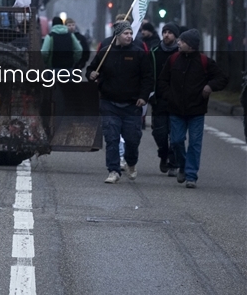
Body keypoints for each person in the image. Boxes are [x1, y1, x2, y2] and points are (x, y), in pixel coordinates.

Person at [158, 29, 228, 188]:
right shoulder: (173, 59)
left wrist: (210, 86)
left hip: (196, 110)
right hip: (176, 110)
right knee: (176, 141)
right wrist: (169, 96)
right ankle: (182, 164)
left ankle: (191, 176)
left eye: (181, 41)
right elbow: (162, 81)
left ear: (191, 45)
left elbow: (222, 78)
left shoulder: (205, 62)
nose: (178, 43)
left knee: (195, 144)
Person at [88, 20, 153, 183]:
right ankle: (113, 170)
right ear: (117, 35)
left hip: (132, 105)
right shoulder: (105, 52)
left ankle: (131, 162)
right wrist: (91, 75)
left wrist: (143, 97)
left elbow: (148, 78)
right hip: (109, 103)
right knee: (111, 138)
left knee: (132, 139)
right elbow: (92, 69)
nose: (130, 36)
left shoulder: (139, 54)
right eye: (126, 33)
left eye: (131, 33)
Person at [148, 23, 181, 175]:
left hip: (177, 100)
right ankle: (164, 154)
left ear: (176, 35)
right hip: (159, 99)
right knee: (159, 132)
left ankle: (173, 161)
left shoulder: (182, 52)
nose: (167, 35)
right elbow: (147, 73)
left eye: (170, 32)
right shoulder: (155, 52)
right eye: (164, 32)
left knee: (176, 134)